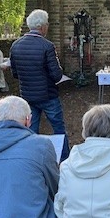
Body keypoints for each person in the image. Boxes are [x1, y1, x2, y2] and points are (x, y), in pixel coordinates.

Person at [9, 9, 70, 161]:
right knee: (58, 128)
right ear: (42, 26)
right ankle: (64, 160)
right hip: (48, 95)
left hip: (28, 95)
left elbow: (14, 73)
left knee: (31, 130)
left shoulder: (15, 46)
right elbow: (56, 75)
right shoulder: (47, 46)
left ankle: (33, 159)